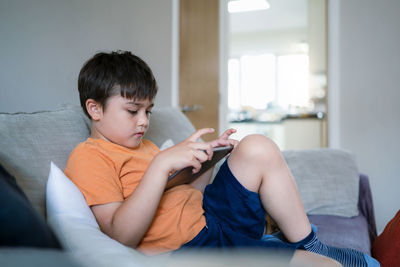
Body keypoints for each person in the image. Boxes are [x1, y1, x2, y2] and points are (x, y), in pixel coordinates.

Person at [65, 50, 379, 267]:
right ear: (95, 109)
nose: (144, 121)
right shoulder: (89, 156)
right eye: (133, 111)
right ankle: (289, 249)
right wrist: (162, 165)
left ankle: (309, 241)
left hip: (212, 217)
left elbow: (187, 196)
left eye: (148, 111)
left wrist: (202, 161)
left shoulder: (143, 146)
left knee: (255, 146)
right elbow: (121, 236)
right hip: (196, 247)